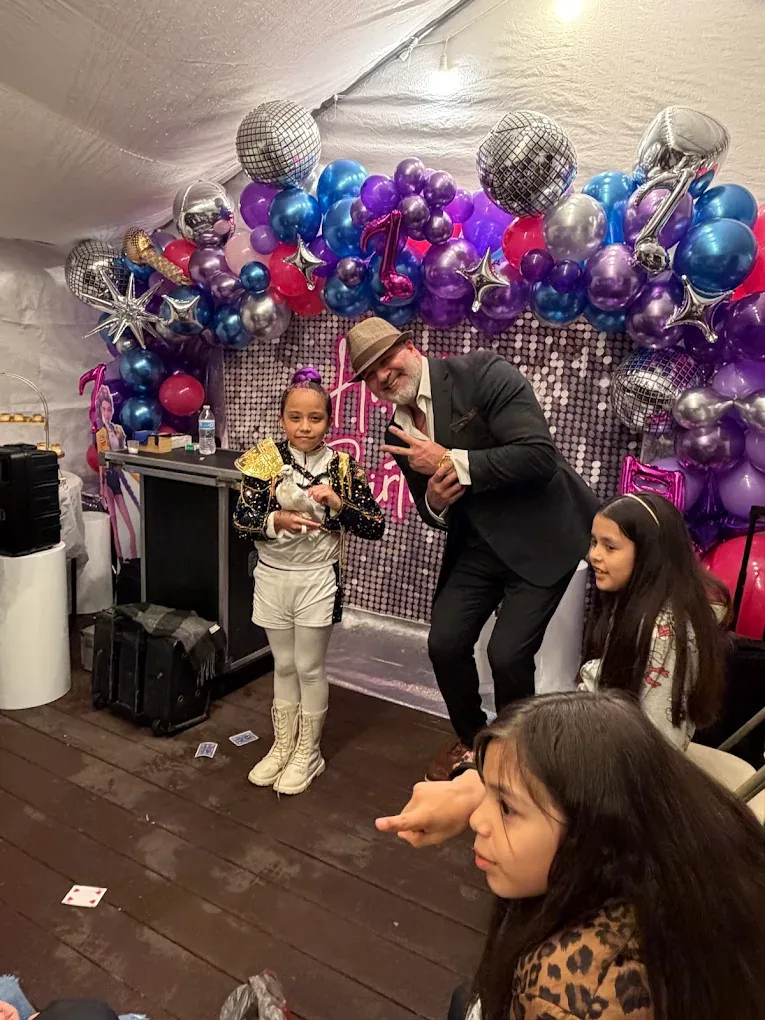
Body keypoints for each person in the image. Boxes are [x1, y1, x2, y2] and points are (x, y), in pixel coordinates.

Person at [376, 691, 765, 1020]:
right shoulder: (679, 859)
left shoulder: (570, 993)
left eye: (506, 807)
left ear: (594, 829)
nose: (478, 819)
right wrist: (471, 791)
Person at [347, 318, 599, 779]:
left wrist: (446, 460)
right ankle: (473, 740)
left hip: (542, 534)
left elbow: (539, 455)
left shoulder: (482, 372)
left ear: (410, 346)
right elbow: (430, 508)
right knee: (444, 643)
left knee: (507, 655)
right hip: (479, 546)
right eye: (369, 373)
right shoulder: (396, 432)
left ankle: (519, 755)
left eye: (386, 359)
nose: (382, 376)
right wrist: (436, 501)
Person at [233, 366, 384, 795]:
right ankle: (283, 745)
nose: (305, 426)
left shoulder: (342, 466)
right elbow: (242, 521)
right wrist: (276, 518)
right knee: (282, 664)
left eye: (315, 418)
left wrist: (339, 503)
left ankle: (309, 752)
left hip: (318, 578)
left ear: (329, 422)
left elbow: (375, 525)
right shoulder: (264, 459)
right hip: (273, 577)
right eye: (296, 417)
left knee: (309, 667)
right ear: (282, 418)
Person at [585, 491, 730, 750]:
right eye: (593, 542)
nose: (594, 555)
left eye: (609, 546)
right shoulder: (637, 601)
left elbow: (660, 741)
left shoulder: (664, 633)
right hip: (610, 736)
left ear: (648, 555)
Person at [94, 385, 139, 560]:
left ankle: (134, 560)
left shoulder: (119, 430)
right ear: (100, 411)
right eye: (103, 409)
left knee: (130, 526)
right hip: (109, 480)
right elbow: (101, 462)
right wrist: (101, 488)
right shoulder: (100, 434)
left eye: (109, 409)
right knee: (114, 525)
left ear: (113, 410)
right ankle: (122, 564)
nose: (106, 413)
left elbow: (126, 453)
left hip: (122, 477)